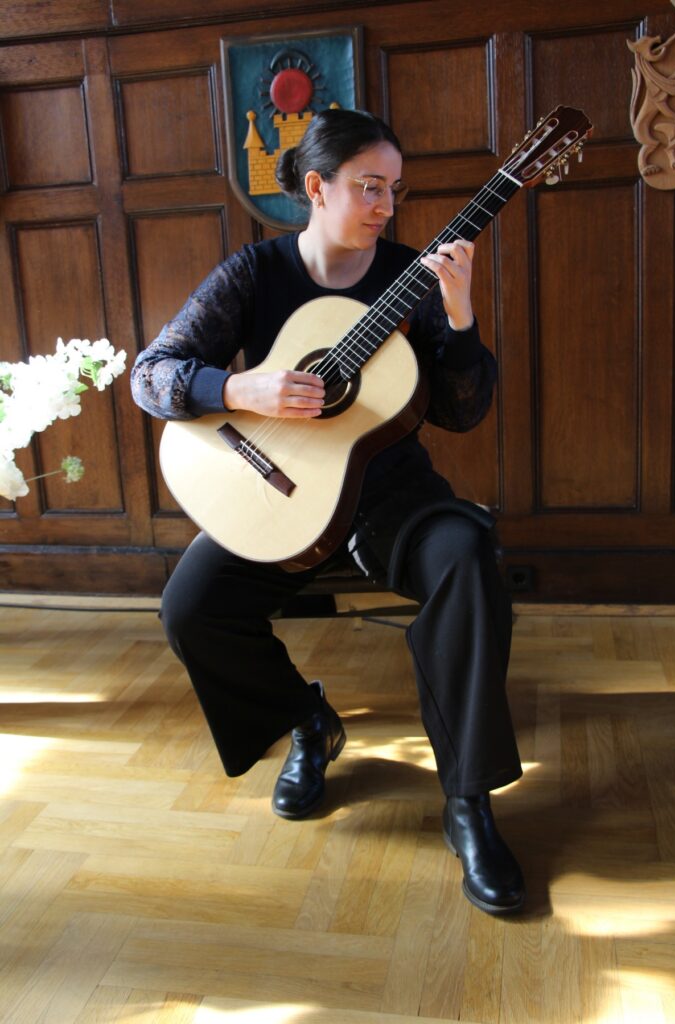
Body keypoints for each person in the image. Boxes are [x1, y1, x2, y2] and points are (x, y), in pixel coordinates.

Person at [130, 107, 525, 916]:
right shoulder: (254, 274)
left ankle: (467, 802)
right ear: (316, 186)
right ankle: (308, 721)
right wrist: (239, 387)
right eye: (368, 186)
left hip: (389, 495)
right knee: (190, 610)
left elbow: (462, 412)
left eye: (394, 189)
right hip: (277, 488)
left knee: (468, 557)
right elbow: (152, 374)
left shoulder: (414, 276)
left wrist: (459, 318)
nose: (385, 205)